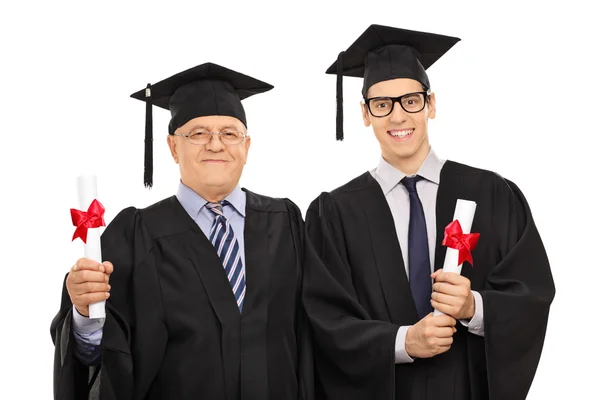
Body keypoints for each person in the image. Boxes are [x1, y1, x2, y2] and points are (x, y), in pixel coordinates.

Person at [303, 25, 555, 399]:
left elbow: (531, 295)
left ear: (431, 104)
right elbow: (323, 320)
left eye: (411, 100)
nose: (398, 116)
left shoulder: (492, 194)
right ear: (365, 113)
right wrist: (403, 341)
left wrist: (474, 306)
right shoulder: (335, 213)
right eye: (382, 104)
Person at [50, 62, 314, 399]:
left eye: (229, 133)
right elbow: (101, 359)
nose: (216, 145)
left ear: (247, 147)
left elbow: (321, 331)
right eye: (199, 133)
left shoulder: (286, 222)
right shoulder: (135, 235)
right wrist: (86, 315)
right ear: (174, 146)